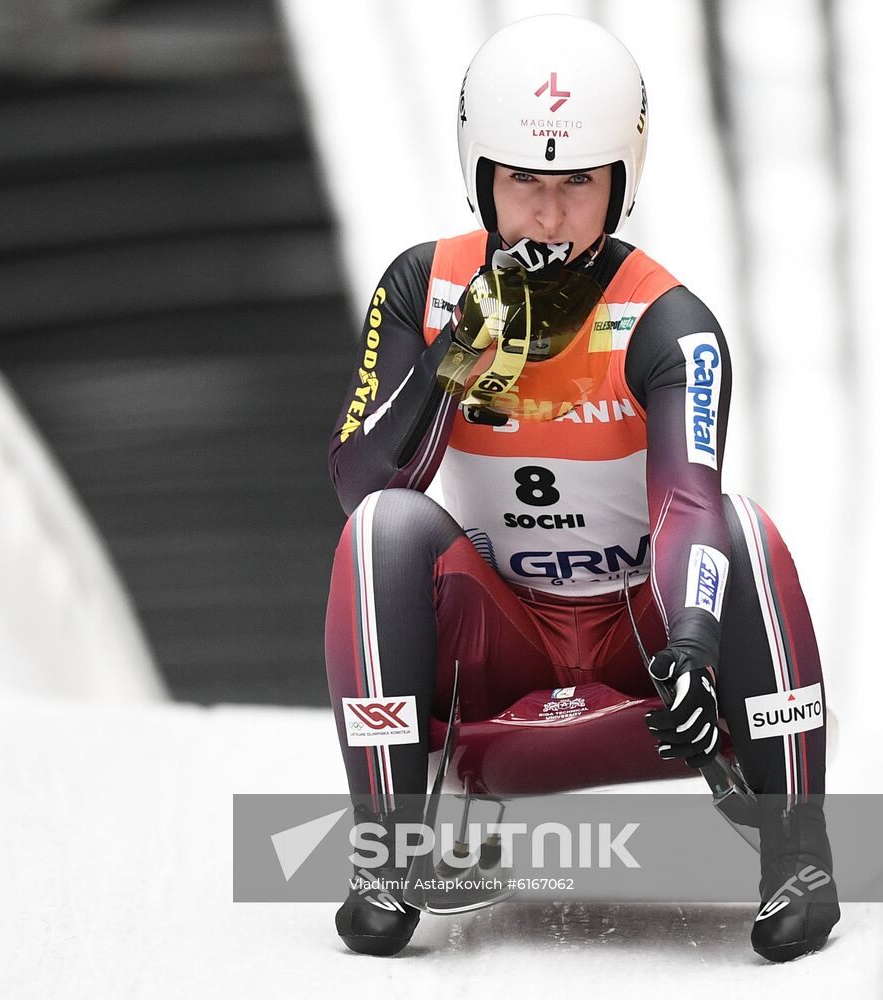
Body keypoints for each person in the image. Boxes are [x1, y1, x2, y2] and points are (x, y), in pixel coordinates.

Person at [324, 13, 839, 962]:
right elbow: (364, 484)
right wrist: (460, 355)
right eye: (524, 182)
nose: (549, 218)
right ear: (482, 175)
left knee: (744, 526)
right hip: (501, 641)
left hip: (640, 644)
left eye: (577, 186)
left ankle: (798, 859)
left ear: (621, 184)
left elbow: (691, 502)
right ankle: (386, 855)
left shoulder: (671, 323)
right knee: (384, 534)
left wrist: (690, 641)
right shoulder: (419, 287)